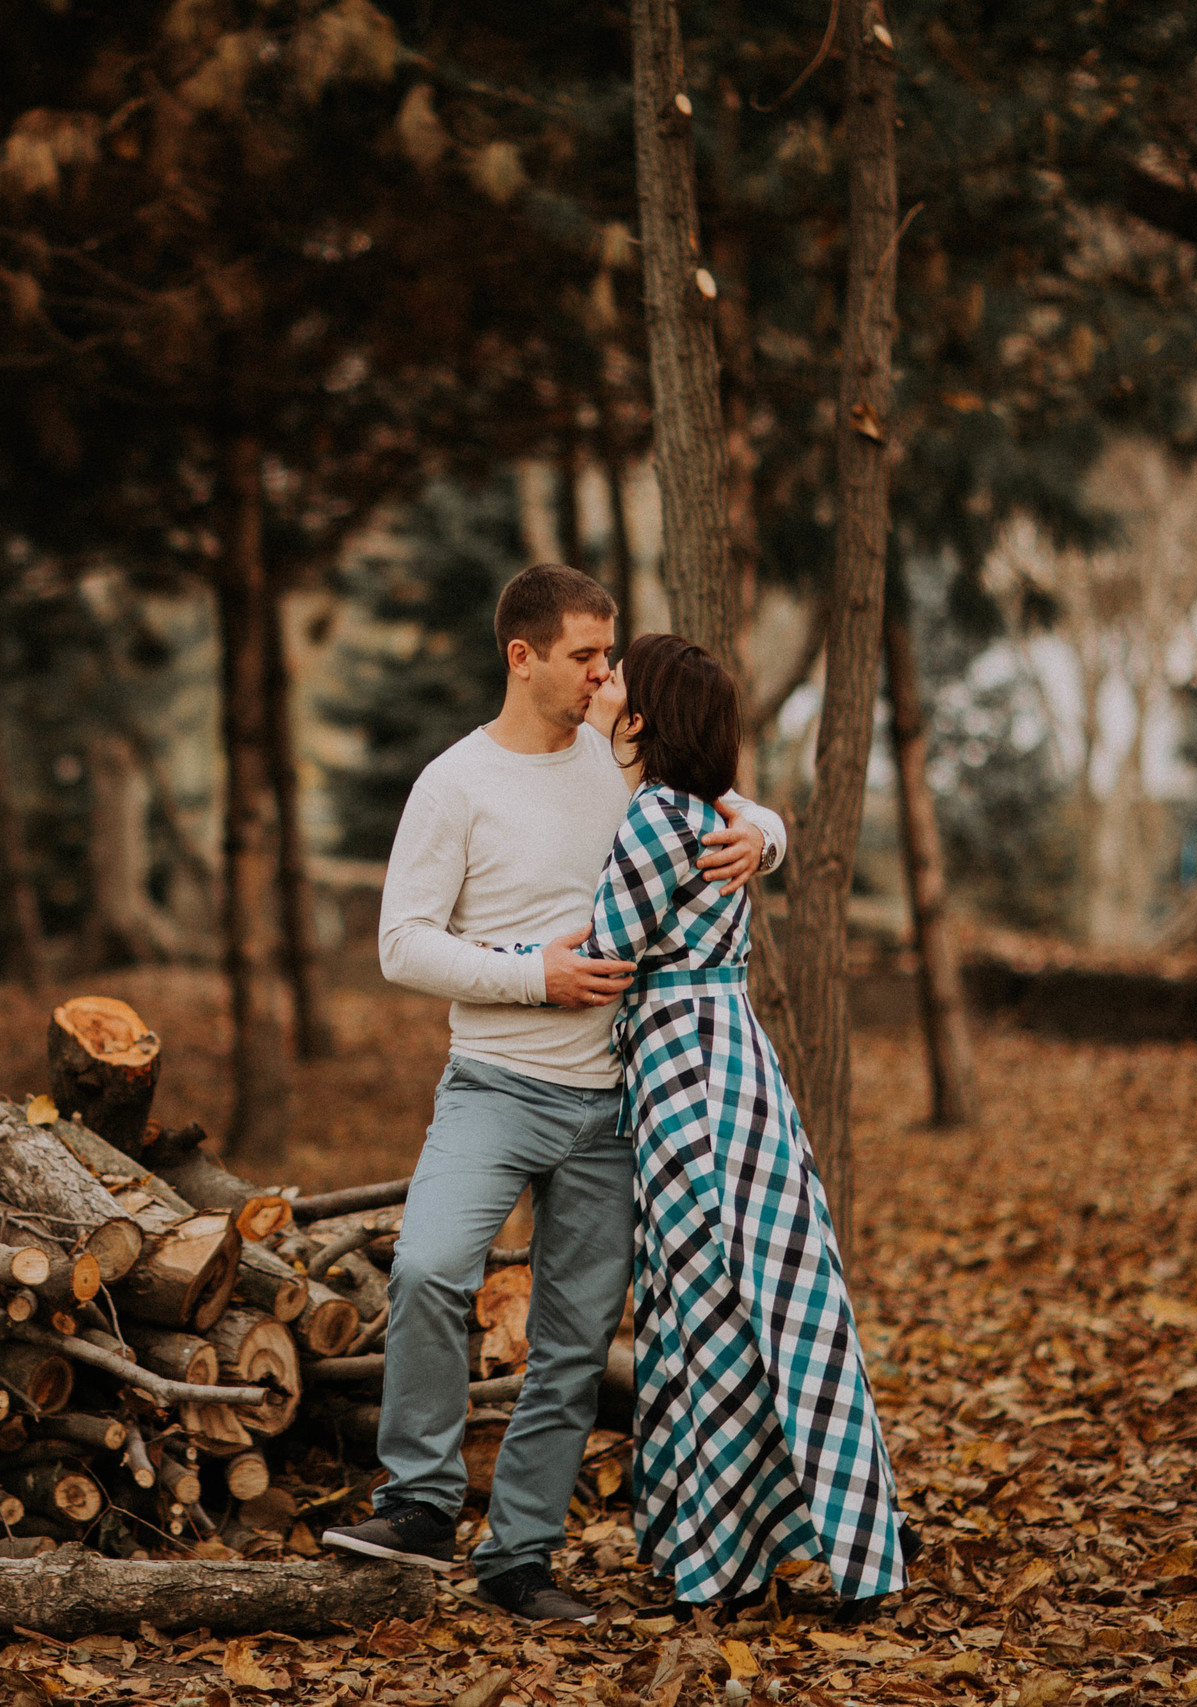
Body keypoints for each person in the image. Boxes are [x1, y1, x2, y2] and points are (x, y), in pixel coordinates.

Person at [321, 565, 788, 1624]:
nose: (603, 675)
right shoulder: (454, 783)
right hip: (493, 1086)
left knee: (574, 1342)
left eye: (608, 654)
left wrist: (767, 835)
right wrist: (536, 973)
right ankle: (420, 1503)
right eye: (584, 655)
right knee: (430, 1267)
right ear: (521, 657)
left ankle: (520, 1558)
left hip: (616, 1105)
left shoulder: (617, 761)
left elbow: (721, 800)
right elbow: (402, 944)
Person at [581, 631, 911, 1618]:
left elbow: (602, 955)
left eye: (617, 678)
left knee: (705, 1308)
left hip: (688, 1078)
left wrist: (505, 957)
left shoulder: (656, 819)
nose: (602, 681)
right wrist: (765, 828)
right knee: (785, 1300)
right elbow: (742, 832)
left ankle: (719, 1564)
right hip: (733, 1063)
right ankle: (842, 1541)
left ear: (643, 717)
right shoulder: (705, 811)